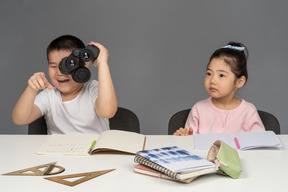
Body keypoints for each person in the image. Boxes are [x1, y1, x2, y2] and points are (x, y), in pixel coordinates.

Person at [12, 35, 118, 134]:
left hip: (93, 152)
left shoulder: (93, 89)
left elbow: (107, 112)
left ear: (84, 64)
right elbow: (19, 119)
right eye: (53, 66)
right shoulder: (49, 96)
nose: (60, 72)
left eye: (68, 65)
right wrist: (32, 89)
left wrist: (102, 64)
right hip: (59, 153)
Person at [174, 42, 265, 136]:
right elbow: (189, 144)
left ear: (239, 82)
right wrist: (185, 136)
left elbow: (260, 143)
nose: (212, 80)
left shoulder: (248, 111)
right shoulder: (198, 109)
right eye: (209, 73)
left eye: (221, 75)